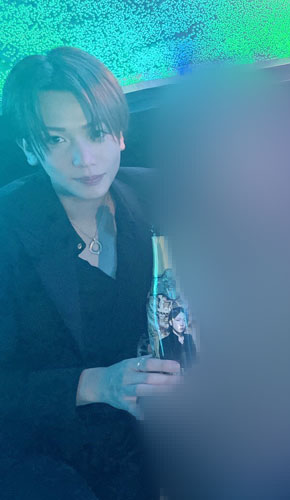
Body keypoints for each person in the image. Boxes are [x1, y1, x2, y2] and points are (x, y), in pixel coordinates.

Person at [0, 47, 181, 499]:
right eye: (56, 140)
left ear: (119, 134)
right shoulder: (7, 229)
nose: (84, 158)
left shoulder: (159, 194)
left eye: (96, 132)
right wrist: (97, 383)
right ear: (28, 148)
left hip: (146, 435)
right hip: (41, 446)